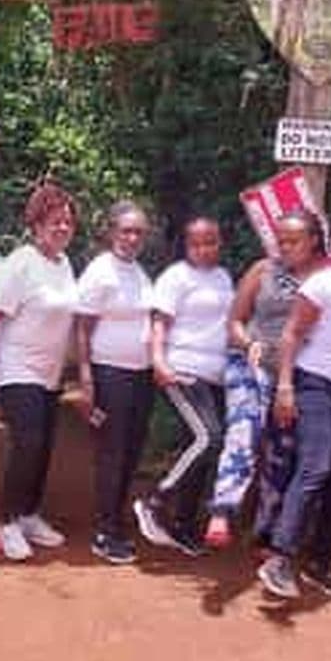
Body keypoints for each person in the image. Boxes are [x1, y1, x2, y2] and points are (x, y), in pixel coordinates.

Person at [257, 211, 331, 601]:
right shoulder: (324, 283)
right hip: (317, 385)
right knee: (316, 467)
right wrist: (286, 387)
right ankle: (280, 557)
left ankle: (320, 561)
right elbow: (292, 334)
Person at [203, 210, 327, 549]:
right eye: (280, 240)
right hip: (249, 362)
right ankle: (223, 509)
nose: (284, 247)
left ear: (314, 241)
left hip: (298, 372)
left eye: (293, 241)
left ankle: (266, 533)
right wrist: (249, 343)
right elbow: (235, 322)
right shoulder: (264, 269)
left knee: (281, 450)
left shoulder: (329, 277)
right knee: (245, 425)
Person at [0, 181, 78, 562]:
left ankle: (29, 514)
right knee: (28, 442)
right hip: (15, 370)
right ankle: (6, 524)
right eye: (54, 221)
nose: (62, 228)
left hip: (50, 374)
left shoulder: (65, 264)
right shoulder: (20, 263)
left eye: (68, 222)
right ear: (36, 225)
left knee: (44, 446)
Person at [133, 216, 233, 556]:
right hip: (183, 370)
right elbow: (159, 323)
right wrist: (159, 362)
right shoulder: (176, 277)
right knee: (209, 437)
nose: (205, 249)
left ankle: (184, 523)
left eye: (211, 242)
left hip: (215, 375)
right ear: (186, 246)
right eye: (197, 243)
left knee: (206, 448)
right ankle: (156, 499)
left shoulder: (222, 277)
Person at [75, 201, 154, 564]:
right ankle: (106, 531)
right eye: (126, 230)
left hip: (140, 376)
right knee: (112, 452)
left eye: (138, 232)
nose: (132, 238)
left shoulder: (138, 272)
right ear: (111, 232)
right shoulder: (100, 271)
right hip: (109, 374)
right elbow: (82, 328)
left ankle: (117, 520)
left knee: (131, 452)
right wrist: (87, 377)